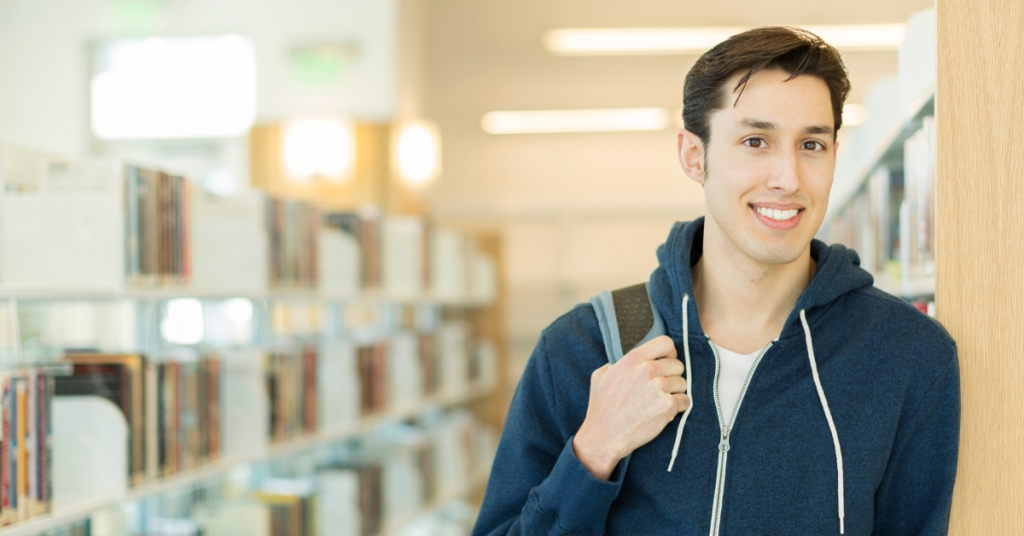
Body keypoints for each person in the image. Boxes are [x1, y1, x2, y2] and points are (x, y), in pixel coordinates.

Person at [471, 26, 960, 536]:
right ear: (693, 156)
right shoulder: (580, 351)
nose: (788, 177)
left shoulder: (909, 357)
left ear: (835, 154)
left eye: (811, 144)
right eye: (755, 141)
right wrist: (593, 451)